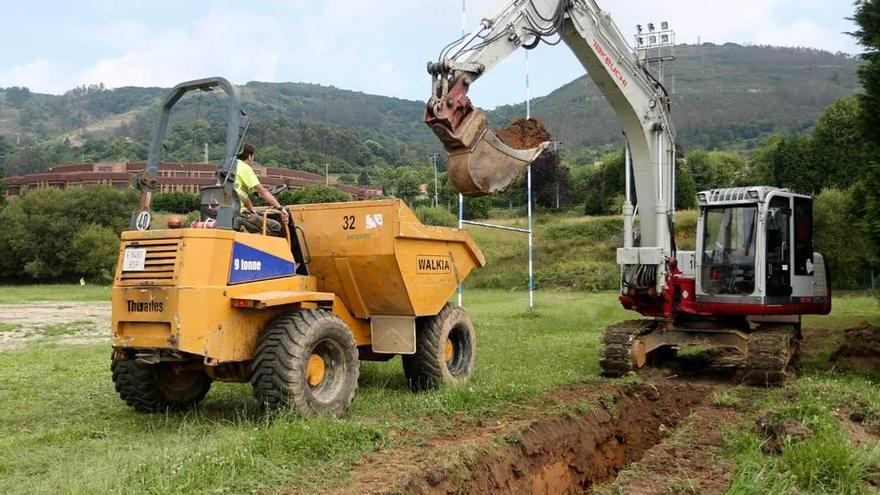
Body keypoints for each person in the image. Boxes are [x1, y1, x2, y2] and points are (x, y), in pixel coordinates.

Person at [232, 143, 289, 236]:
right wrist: (280, 208)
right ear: (250, 156)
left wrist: (252, 211)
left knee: (256, 221)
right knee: (275, 226)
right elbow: (263, 192)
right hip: (238, 215)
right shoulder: (245, 168)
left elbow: (242, 196)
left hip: (223, 214)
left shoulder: (228, 168)